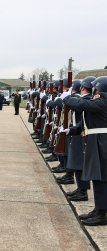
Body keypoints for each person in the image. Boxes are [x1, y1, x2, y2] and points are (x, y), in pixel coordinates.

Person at [59, 76, 107, 226]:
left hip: (102, 144)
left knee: (102, 179)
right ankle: (99, 209)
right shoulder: (97, 102)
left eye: (95, 87)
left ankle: (102, 213)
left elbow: (80, 104)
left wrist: (68, 98)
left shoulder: (103, 100)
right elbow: (85, 123)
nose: (93, 89)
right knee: (97, 178)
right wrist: (70, 130)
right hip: (96, 143)